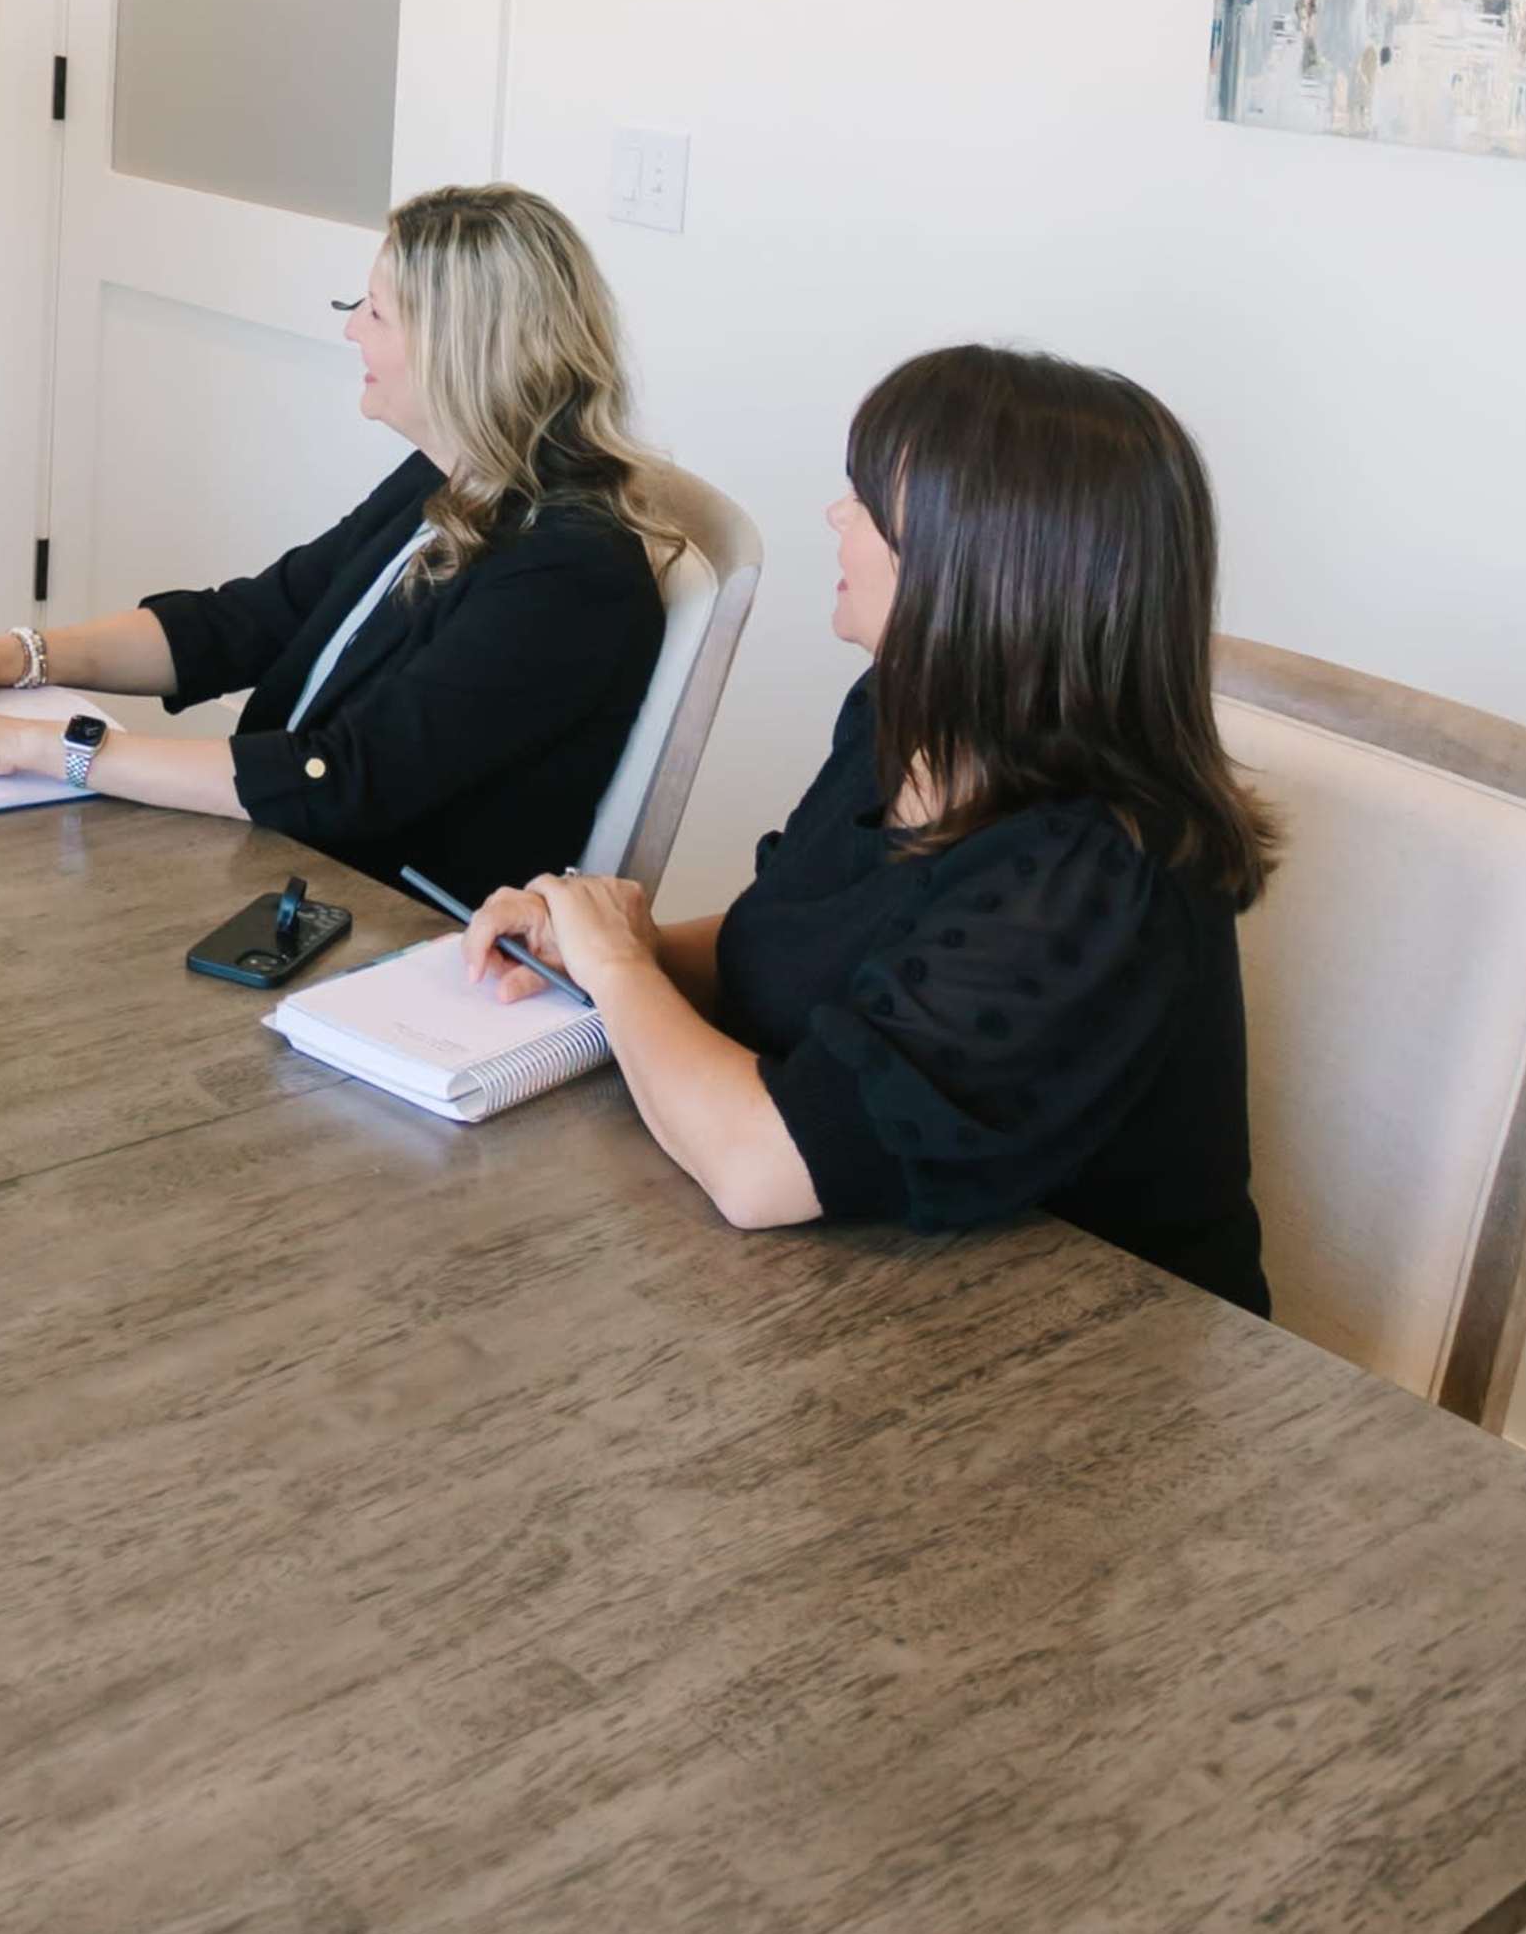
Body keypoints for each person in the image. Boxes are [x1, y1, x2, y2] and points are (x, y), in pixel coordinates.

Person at [464, 342, 1274, 1311]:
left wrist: (621, 974)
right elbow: (801, 934)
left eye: (866, 501)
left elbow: (764, 1172)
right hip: (873, 1284)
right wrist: (609, 943)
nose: (834, 516)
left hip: (1081, 1350)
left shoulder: (1096, 869)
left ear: (971, 563)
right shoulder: (904, 713)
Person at [0, 183, 670, 910]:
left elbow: (344, 778)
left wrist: (25, 745)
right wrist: (15, 655)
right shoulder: (453, 478)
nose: (352, 326)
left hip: (380, 925)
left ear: (462, 351)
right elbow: (251, 621)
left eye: (378, 312)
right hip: (279, 858)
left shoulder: (569, 571)